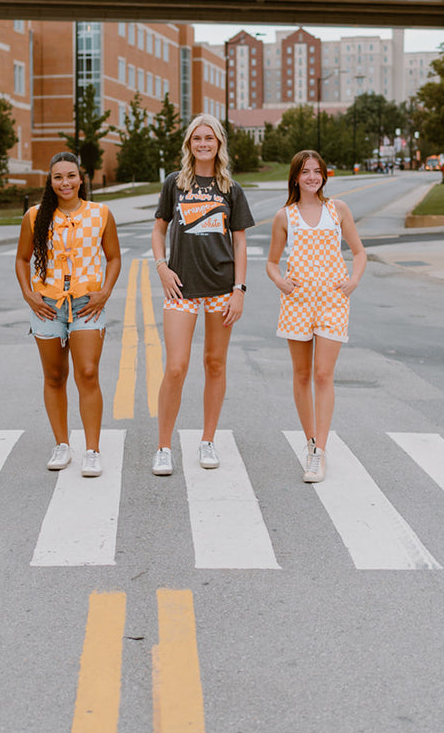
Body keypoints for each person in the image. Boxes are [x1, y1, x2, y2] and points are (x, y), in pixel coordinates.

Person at [151, 114, 255, 475]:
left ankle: (208, 440)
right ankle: (164, 446)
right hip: (181, 288)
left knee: (215, 363)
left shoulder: (231, 189)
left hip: (220, 288)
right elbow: (158, 230)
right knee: (176, 367)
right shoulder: (174, 184)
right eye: (197, 138)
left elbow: (240, 243)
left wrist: (239, 290)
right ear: (189, 145)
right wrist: (161, 266)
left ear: (219, 143)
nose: (203, 144)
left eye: (209, 138)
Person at [15, 152, 122, 477]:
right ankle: (62, 443)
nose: (65, 182)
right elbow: (21, 259)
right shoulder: (35, 216)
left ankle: (92, 449)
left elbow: (114, 257)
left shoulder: (100, 213)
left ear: (81, 178)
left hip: (86, 304)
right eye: (58, 177)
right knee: (54, 377)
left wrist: (104, 292)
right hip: (47, 305)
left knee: (87, 373)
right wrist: (29, 295)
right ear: (50, 181)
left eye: (71, 175)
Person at [264, 150, 367, 483]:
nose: (312, 177)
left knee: (323, 374)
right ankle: (310, 442)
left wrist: (353, 281)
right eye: (305, 172)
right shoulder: (285, 216)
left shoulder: (337, 209)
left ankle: (320, 451)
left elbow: (359, 251)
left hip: (332, 303)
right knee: (302, 375)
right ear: (295, 177)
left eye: (317, 171)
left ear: (324, 175)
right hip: (297, 304)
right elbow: (272, 262)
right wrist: (280, 282)